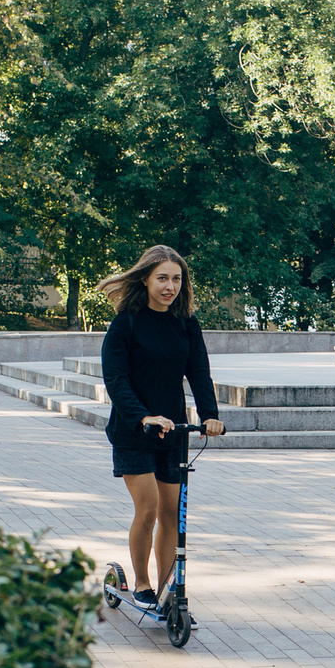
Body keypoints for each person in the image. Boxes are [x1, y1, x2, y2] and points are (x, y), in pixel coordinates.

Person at [97, 245, 225, 604]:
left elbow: (199, 372)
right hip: (133, 431)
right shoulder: (127, 323)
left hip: (174, 432)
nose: (170, 286)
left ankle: (169, 592)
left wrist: (210, 414)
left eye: (176, 279)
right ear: (146, 279)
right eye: (163, 278)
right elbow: (116, 379)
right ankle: (141, 584)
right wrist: (143, 416)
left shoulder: (185, 324)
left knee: (172, 514)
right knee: (149, 507)